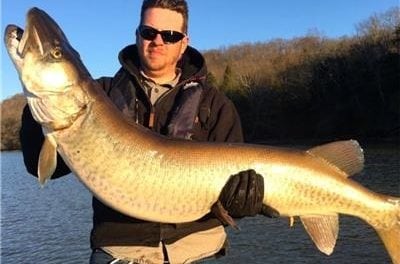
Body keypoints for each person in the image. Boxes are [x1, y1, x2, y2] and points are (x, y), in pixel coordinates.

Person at [20, 0, 275, 263]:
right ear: (137, 35)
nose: (158, 41)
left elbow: (235, 196)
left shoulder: (216, 104)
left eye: (170, 35)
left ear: (183, 42)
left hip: (199, 249)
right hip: (119, 251)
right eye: (148, 32)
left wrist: (243, 202)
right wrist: (36, 105)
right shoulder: (103, 93)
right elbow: (37, 165)